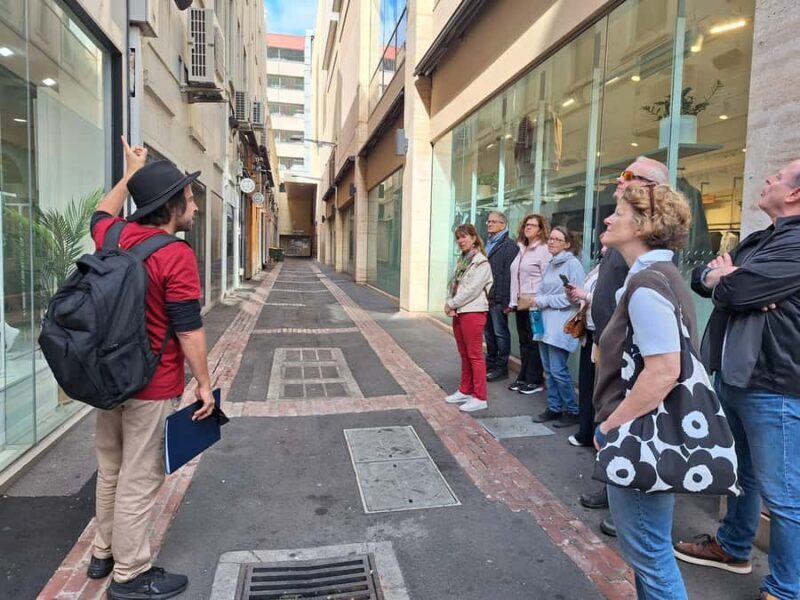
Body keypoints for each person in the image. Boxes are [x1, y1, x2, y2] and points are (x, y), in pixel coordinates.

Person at [87, 138, 215, 600]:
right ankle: (130, 574)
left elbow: (100, 213)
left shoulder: (113, 236)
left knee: (110, 468)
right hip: (152, 384)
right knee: (140, 478)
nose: (194, 206)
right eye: (189, 198)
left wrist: (130, 173)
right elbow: (188, 329)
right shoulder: (175, 255)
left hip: (107, 379)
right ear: (170, 206)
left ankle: (102, 554)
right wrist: (204, 384)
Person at [674, 159, 800, 600]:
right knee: (741, 474)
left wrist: (731, 281)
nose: (767, 179)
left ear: (795, 194)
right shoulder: (763, 239)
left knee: (785, 495)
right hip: (738, 377)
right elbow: (701, 278)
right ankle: (732, 546)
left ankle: (787, 588)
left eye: (778, 177)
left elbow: (737, 290)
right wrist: (721, 277)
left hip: (775, 386)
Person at [593, 182, 693, 599]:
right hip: (648, 432)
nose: (608, 218)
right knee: (648, 553)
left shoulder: (647, 285)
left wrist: (610, 426)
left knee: (650, 554)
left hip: (639, 435)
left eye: (619, 212)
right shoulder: (656, 277)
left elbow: (664, 371)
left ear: (644, 225)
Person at [578, 157, 670, 538]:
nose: (620, 181)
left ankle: (629, 505)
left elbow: (664, 368)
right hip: (609, 341)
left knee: (626, 423)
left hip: (630, 356)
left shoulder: (649, 266)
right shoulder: (625, 244)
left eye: (630, 177)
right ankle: (614, 488)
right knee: (609, 414)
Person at [530, 226, 585, 427]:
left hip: (561, 324)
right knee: (548, 370)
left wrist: (543, 301)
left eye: (557, 239)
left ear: (567, 244)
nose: (551, 242)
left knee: (558, 370)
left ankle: (572, 410)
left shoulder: (573, 264)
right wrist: (538, 300)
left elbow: (573, 297)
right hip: (544, 323)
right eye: (550, 238)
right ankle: (554, 407)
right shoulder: (551, 263)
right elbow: (544, 290)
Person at [444, 224, 494, 413]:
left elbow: (472, 290)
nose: (461, 241)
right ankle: (465, 390)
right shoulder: (463, 260)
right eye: (458, 237)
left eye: (464, 236)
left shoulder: (481, 262)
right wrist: (450, 303)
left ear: (474, 238)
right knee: (464, 354)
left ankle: (480, 397)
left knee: (475, 355)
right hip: (460, 311)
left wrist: (451, 303)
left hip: (473, 312)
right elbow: (454, 285)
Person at [565, 247, 604, 446]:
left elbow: (611, 300)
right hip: (589, 330)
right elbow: (587, 296)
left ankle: (596, 433)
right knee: (587, 383)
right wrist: (576, 295)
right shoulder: (599, 268)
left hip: (602, 333)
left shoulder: (620, 270)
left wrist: (585, 295)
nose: (602, 248)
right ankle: (586, 430)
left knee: (599, 385)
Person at [508, 214, 550, 395]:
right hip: (520, 302)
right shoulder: (520, 248)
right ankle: (523, 376)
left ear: (540, 230)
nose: (528, 227)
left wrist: (540, 299)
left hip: (534, 302)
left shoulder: (543, 250)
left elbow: (547, 278)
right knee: (524, 341)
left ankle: (534, 380)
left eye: (533, 225)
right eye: (526, 224)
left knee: (534, 342)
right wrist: (512, 301)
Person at [483, 211, 520, 381]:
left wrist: (506, 302)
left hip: (499, 298)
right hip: (486, 297)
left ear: (503, 225)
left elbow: (508, 276)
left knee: (500, 333)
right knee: (489, 333)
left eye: (493, 221)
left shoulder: (509, 246)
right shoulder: (488, 243)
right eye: (488, 221)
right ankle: (490, 362)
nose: (489, 224)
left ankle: (501, 367)